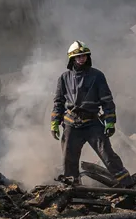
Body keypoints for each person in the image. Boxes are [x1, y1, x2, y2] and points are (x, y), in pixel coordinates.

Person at [51, 41, 131, 186]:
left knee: (107, 155)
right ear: (72, 59)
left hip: (92, 123)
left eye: (84, 56)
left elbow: (107, 100)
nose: (82, 58)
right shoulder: (64, 78)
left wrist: (110, 121)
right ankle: (72, 187)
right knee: (69, 158)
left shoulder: (97, 76)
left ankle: (127, 183)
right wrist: (55, 123)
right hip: (71, 123)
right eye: (78, 56)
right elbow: (58, 102)